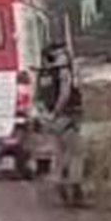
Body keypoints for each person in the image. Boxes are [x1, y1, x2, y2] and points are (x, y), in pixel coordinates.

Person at [38, 42, 85, 207]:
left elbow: (40, 99)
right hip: (67, 116)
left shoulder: (43, 74)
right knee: (76, 152)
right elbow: (65, 94)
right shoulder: (63, 71)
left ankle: (59, 182)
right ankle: (75, 187)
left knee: (59, 153)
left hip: (52, 119)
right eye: (64, 53)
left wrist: (47, 117)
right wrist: (58, 112)